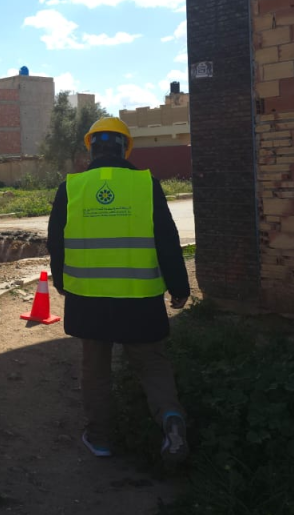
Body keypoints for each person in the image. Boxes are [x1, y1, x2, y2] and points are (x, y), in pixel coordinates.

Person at [46, 117, 190, 462]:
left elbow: (56, 241)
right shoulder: (145, 184)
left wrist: (62, 282)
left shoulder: (72, 187)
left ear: (91, 150)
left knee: (95, 369)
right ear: (125, 149)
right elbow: (167, 239)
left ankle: (100, 438)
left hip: (88, 300)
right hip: (140, 299)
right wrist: (178, 286)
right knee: (151, 364)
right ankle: (170, 419)